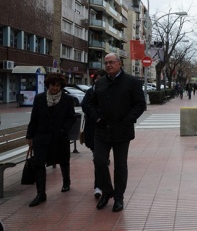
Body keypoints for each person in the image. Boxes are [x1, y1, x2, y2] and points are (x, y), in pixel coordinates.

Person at [87, 53, 146, 212]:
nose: (108, 65)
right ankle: (107, 192)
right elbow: (90, 104)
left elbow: (140, 104)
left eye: (111, 62)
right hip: (102, 130)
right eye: (106, 63)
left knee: (120, 166)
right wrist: (97, 119)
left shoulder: (131, 82)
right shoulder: (100, 83)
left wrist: (128, 120)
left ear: (119, 64)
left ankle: (118, 197)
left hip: (122, 130)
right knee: (99, 161)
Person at [26, 73, 77, 207]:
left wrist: (64, 129)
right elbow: (34, 118)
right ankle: (41, 193)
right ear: (48, 85)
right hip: (41, 136)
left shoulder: (67, 99)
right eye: (53, 85)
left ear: (61, 87)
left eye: (58, 86)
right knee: (39, 164)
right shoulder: (39, 99)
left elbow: (72, 117)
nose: (55, 88)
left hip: (60, 136)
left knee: (64, 160)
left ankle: (66, 182)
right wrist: (30, 136)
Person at [81, 69, 107, 199]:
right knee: (98, 158)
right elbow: (84, 105)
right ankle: (100, 186)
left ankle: (99, 186)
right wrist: (96, 117)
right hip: (93, 128)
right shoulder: (90, 92)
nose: (98, 80)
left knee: (99, 159)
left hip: (106, 130)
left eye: (101, 78)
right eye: (96, 78)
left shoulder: (109, 92)